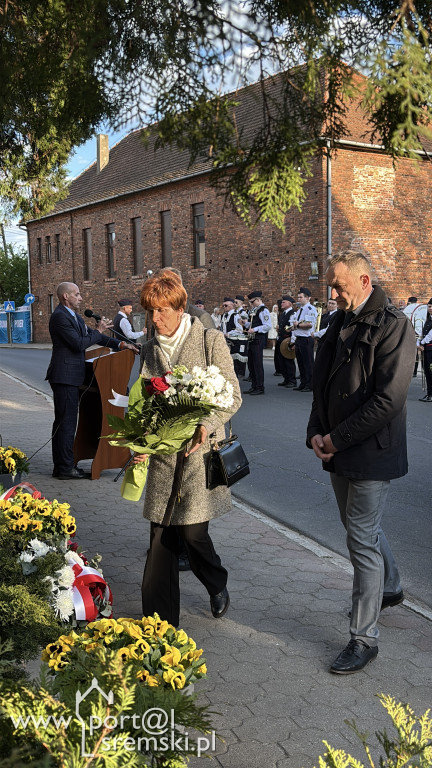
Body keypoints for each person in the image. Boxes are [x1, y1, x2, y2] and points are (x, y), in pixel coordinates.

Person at [306, 251, 416, 674]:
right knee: (359, 528)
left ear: (364, 280)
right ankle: (390, 585)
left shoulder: (394, 325)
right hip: (336, 445)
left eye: (338, 286)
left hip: (372, 449)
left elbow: (388, 399)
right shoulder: (339, 320)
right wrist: (317, 430)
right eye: (331, 286)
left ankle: (364, 638)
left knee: (361, 540)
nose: (332, 293)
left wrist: (336, 437)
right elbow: (321, 384)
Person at [133, 272, 242, 627]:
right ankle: (159, 624)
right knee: (161, 537)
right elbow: (144, 402)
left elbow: (232, 397)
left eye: (162, 310)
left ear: (180, 307)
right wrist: (139, 443)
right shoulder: (149, 349)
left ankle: (216, 583)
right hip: (164, 457)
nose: (155, 319)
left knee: (194, 534)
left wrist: (204, 425)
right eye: (150, 311)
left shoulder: (210, 339)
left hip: (198, 455)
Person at [46, 282, 138, 479]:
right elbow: (78, 344)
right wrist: (99, 330)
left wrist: (121, 344)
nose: (80, 298)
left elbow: (93, 338)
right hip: (64, 376)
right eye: (77, 294)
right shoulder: (60, 317)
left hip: (72, 377)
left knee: (68, 422)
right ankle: (64, 468)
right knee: (66, 423)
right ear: (65, 297)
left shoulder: (74, 317)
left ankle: (64, 464)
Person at [242, 290, 272, 395]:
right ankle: (254, 385)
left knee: (257, 363)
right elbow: (253, 324)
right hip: (252, 338)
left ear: (258, 300)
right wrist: (246, 324)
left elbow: (268, 325)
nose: (251, 304)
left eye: (252, 301)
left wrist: (255, 329)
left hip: (258, 338)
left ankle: (260, 387)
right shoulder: (255, 309)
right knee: (251, 363)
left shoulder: (263, 310)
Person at [291, 287, 318, 391]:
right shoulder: (299, 310)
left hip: (306, 339)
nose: (298, 299)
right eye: (298, 297)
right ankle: (303, 383)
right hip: (299, 338)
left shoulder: (310, 309)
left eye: (301, 297)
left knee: (308, 363)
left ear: (308, 298)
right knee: (301, 363)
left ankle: (310, 384)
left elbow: (309, 324)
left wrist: (297, 325)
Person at [275, 295, 297, 387]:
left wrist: (293, 341)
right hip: (281, 338)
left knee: (288, 359)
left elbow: (293, 328)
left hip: (287, 339)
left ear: (290, 304)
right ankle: (286, 378)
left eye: (284, 302)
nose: (282, 303)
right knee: (281, 360)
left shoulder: (292, 314)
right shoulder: (283, 313)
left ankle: (292, 380)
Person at [417, 298, 432, 402]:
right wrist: (418, 343)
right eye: (429, 306)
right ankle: (429, 394)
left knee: (431, 372)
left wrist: (422, 343)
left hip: (431, 349)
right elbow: (422, 335)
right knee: (427, 372)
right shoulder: (428, 320)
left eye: (431, 306)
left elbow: (430, 335)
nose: (430, 308)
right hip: (426, 350)